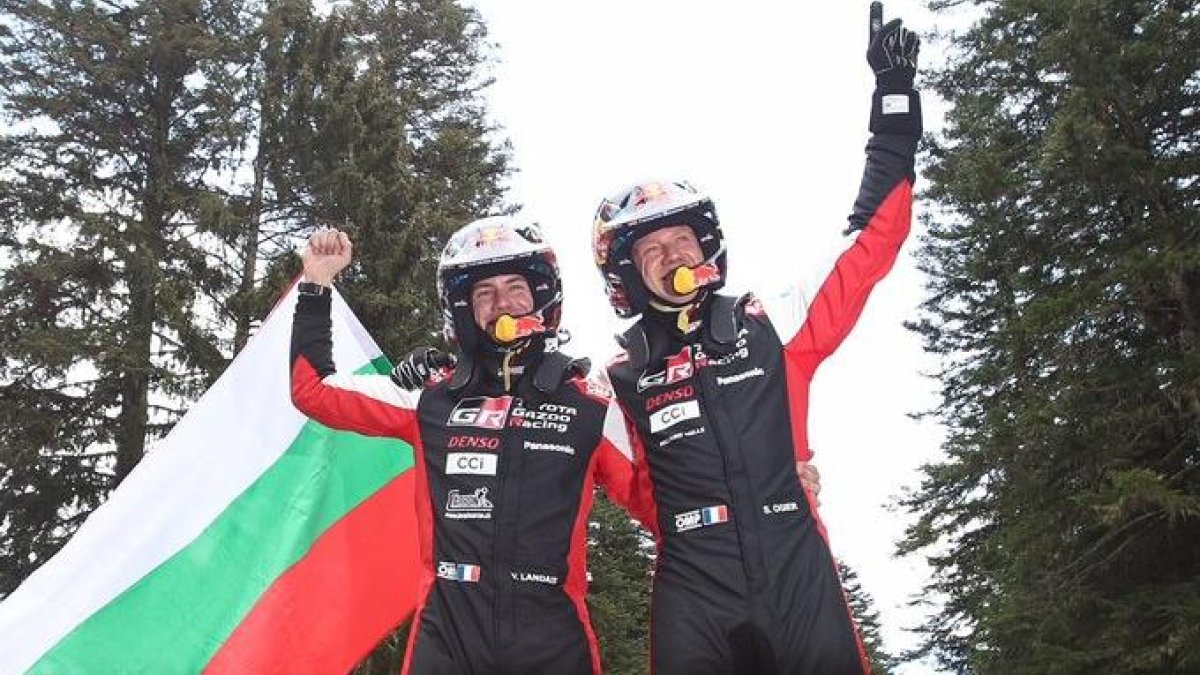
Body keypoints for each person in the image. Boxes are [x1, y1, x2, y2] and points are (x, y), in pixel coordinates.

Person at [587, 4, 922, 673]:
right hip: (695, 592)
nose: (672, 254)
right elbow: (583, 464)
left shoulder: (771, 324)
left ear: (708, 246)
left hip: (798, 569)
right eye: (651, 249)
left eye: (683, 238)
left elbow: (870, 241)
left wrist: (893, 102)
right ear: (626, 275)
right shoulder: (615, 381)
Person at [289, 217, 657, 674]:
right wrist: (316, 282)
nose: (502, 303)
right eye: (484, 293)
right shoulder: (429, 398)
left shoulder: (591, 405)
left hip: (552, 641)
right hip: (448, 638)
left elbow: (660, 508)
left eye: (516, 287)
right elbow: (314, 390)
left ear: (542, 297)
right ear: (464, 311)